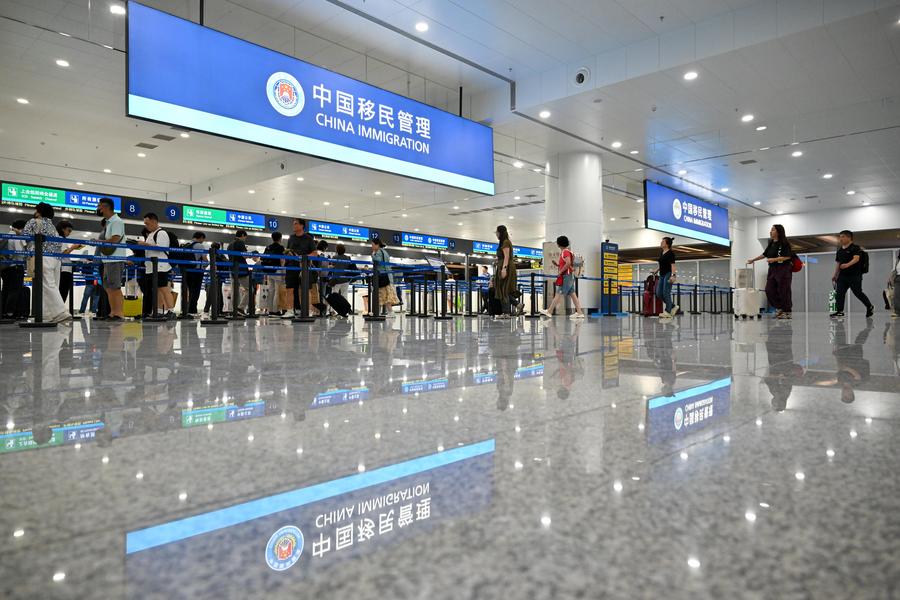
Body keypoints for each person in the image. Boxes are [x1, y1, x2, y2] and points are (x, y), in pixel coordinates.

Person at [22, 202, 69, 323]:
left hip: (43, 256)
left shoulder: (34, 221)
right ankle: (46, 315)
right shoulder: (53, 226)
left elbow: (25, 237)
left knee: (47, 285)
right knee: (50, 286)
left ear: (39, 212)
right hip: (56, 259)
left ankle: (61, 312)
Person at [748, 224, 794, 319]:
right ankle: (780, 308)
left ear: (778, 232)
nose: (770, 231)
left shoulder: (784, 243)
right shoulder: (771, 243)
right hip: (772, 270)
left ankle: (787, 311)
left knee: (784, 290)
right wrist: (753, 260)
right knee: (769, 290)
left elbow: (787, 256)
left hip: (784, 269)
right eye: (771, 230)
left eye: (773, 230)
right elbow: (764, 254)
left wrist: (774, 259)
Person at [138, 213, 176, 319]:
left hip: (160, 266)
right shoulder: (151, 234)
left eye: (147, 223)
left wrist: (145, 244)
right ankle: (159, 311)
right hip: (151, 267)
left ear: (154, 221)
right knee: (158, 290)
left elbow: (161, 248)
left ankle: (171, 311)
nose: (146, 225)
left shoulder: (161, 233)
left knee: (164, 288)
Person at [831, 229, 874, 318]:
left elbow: (856, 259)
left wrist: (847, 265)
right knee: (839, 293)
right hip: (842, 276)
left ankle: (869, 306)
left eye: (843, 237)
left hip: (855, 275)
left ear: (849, 238)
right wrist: (835, 274)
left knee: (858, 293)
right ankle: (839, 311)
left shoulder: (855, 248)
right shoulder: (840, 250)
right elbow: (838, 263)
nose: (840, 239)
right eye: (840, 237)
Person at [540, 235, 585, 319]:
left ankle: (549, 311)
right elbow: (569, 264)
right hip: (570, 276)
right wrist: (558, 265)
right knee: (573, 294)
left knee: (558, 293)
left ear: (559, 244)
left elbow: (568, 263)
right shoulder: (569, 252)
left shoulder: (565, 252)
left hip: (566, 276)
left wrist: (560, 272)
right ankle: (579, 312)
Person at [96, 197, 126, 321]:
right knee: (108, 288)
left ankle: (119, 313)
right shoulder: (109, 222)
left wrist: (99, 242)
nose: (98, 208)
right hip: (108, 260)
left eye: (99, 206)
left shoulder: (116, 221)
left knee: (115, 287)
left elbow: (115, 239)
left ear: (106, 207)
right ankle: (113, 312)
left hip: (115, 259)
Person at [284, 218, 317, 318]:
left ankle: (307, 310)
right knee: (289, 289)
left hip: (304, 267)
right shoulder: (291, 238)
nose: (293, 225)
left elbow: (315, 253)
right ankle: (290, 310)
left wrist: (303, 257)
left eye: (296, 224)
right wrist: (288, 253)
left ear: (302, 225)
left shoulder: (308, 239)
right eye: (293, 224)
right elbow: (288, 250)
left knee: (305, 289)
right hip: (291, 266)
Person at [1, 219, 27, 319]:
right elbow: (19, 252)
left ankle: (3, 312)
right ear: (22, 228)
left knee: (5, 290)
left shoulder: (6, 236)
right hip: (15, 267)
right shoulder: (16, 237)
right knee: (14, 291)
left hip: (5, 267)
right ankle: (10, 312)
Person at [55, 220, 83, 305]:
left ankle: (59, 309)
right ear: (62, 229)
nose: (69, 233)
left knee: (62, 292)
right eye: (69, 230)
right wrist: (73, 247)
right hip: (64, 270)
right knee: (63, 291)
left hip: (64, 269)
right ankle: (59, 309)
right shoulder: (61, 239)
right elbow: (64, 253)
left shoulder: (58, 239)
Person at [650, 236, 679, 318]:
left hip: (668, 274)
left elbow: (673, 265)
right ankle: (673, 306)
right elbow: (662, 264)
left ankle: (668, 312)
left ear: (667, 244)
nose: (661, 243)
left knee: (666, 293)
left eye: (663, 242)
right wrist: (656, 270)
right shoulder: (662, 252)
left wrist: (673, 276)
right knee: (659, 293)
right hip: (662, 275)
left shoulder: (671, 253)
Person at [492, 225, 517, 319]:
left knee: (503, 289)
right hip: (503, 266)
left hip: (506, 267)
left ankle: (506, 313)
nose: (496, 234)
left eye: (497, 232)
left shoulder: (506, 242)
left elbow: (506, 256)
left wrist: (504, 268)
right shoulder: (504, 242)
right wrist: (498, 261)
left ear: (500, 232)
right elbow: (503, 256)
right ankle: (517, 305)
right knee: (503, 289)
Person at [371, 238, 398, 317]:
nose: (372, 247)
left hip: (382, 276)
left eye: (373, 245)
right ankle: (383, 312)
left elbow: (377, 261)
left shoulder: (378, 252)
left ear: (377, 245)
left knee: (382, 295)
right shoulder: (385, 252)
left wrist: (373, 255)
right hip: (387, 276)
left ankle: (386, 312)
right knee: (384, 295)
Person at [227, 230, 251, 316]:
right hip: (241, 270)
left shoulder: (230, 245)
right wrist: (251, 254)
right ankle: (240, 308)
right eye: (245, 237)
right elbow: (245, 255)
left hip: (232, 269)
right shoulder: (240, 243)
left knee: (234, 291)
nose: (245, 239)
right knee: (250, 289)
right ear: (243, 235)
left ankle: (233, 309)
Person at [183, 231, 207, 317]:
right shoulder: (200, 246)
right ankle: (192, 311)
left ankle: (187, 310)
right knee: (196, 291)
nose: (203, 241)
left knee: (190, 290)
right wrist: (207, 264)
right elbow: (204, 259)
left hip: (187, 271)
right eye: (203, 239)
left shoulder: (187, 245)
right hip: (197, 271)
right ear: (201, 237)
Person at [262, 231, 285, 316]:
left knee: (271, 290)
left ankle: (270, 310)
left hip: (268, 271)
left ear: (272, 238)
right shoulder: (280, 247)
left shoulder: (268, 247)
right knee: (277, 291)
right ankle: (276, 310)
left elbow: (263, 258)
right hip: (277, 270)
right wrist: (282, 270)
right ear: (280, 238)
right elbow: (282, 260)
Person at [891, 250, 900, 319]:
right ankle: (897, 312)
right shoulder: (898, 260)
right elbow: (894, 270)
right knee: (896, 295)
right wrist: (890, 278)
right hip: (898, 278)